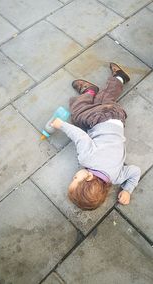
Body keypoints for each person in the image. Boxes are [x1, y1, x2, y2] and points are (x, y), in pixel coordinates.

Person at [51, 63, 141, 210]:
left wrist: (127, 190)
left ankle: (112, 82)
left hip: (118, 119)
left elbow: (135, 171)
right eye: (75, 178)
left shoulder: (117, 177)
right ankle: (92, 90)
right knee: (78, 115)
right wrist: (61, 125)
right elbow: (80, 136)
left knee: (103, 100)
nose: (74, 175)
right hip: (102, 117)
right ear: (88, 177)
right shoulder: (87, 159)